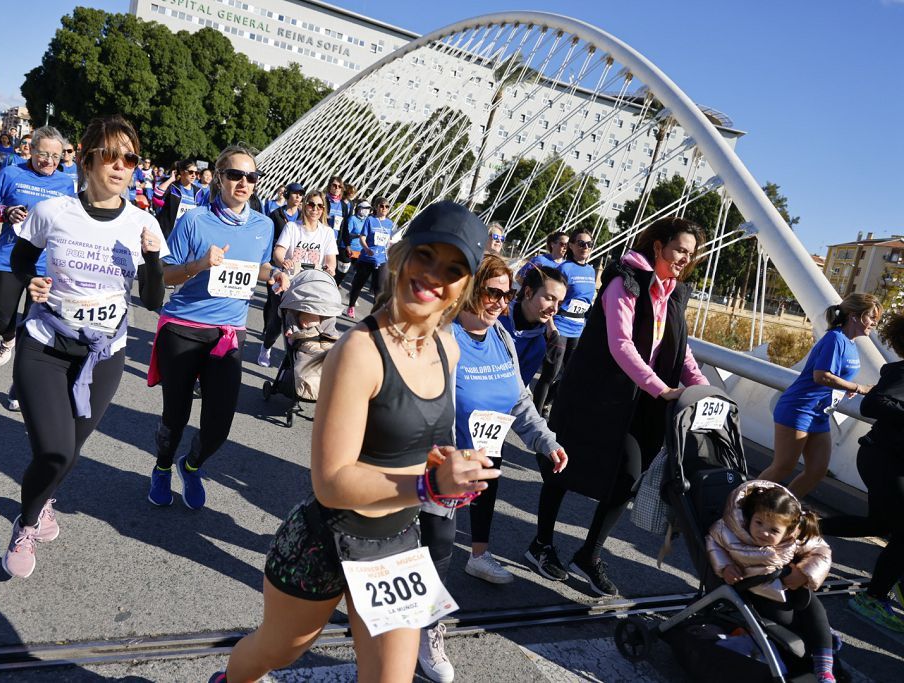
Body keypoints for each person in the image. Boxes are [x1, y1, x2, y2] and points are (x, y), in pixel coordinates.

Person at [212, 201, 498, 683]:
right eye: (425, 255)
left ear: (463, 287)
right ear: (400, 255)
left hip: (396, 542)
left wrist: (443, 460)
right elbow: (332, 482)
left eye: (453, 269)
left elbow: (411, 439)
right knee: (274, 652)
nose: (433, 276)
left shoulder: (447, 347)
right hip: (325, 539)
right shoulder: (359, 351)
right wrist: (430, 485)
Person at [0, 115, 167, 579]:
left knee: (70, 451)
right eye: (110, 155)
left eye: (129, 158)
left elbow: (153, 301)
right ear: (88, 156)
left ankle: (43, 500)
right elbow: (18, 261)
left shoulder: (141, 224)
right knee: (52, 451)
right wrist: (31, 282)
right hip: (45, 346)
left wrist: (151, 257)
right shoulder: (53, 211)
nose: (120, 166)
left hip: (103, 355)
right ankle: (26, 522)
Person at [532, 217, 709, 596]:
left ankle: (589, 553)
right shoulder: (624, 281)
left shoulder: (673, 292)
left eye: (690, 254)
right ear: (658, 247)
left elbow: (679, 349)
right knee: (563, 466)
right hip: (595, 394)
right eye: (679, 249)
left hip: (639, 402)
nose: (684, 258)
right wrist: (662, 389)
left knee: (628, 478)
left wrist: (703, 387)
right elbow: (621, 343)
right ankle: (541, 543)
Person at [416, 254, 567, 682]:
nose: (501, 302)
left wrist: (546, 441)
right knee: (438, 543)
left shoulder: (501, 336)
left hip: (476, 460)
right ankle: (426, 627)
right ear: (468, 290)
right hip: (435, 466)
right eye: (492, 292)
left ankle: (403, 614)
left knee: (428, 548)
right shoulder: (442, 338)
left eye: (508, 294)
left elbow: (520, 403)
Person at [146, 145, 287, 510]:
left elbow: (258, 267)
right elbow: (168, 275)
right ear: (220, 178)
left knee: (219, 423)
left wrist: (275, 276)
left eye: (251, 176)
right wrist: (201, 264)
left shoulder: (264, 225)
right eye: (236, 175)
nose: (244, 182)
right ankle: (162, 467)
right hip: (183, 327)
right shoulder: (195, 221)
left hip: (228, 333)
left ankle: (190, 465)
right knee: (175, 416)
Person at [0, 126, 76, 410]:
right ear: (30, 150)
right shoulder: (11, 173)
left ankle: (18, 385)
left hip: (44, 265)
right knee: (2, 320)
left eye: (55, 156)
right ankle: (7, 339)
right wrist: (4, 212)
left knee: (32, 330)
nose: (48, 161)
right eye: (43, 154)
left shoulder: (65, 183)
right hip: (9, 257)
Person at [821, 312, 904, 632]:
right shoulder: (901, 372)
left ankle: (802, 527)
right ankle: (873, 597)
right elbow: (873, 405)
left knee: (879, 523)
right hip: (884, 460)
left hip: (889, 459)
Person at [707, 481, 835, 682]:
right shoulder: (729, 530)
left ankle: (824, 667)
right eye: (758, 523)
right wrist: (724, 567)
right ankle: (814, 642)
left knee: (815, 607)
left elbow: (821, 551)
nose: (763, 532)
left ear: (788, 531)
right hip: (754, 589)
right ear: (750, 516)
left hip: (788, 585)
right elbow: (713, 542)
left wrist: (804, 573)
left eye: (774, 531)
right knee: (790, 621)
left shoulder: (795, 536)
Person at [761, 293, 879, 498]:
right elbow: (821, 376)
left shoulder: (850, 344)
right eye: (871, 317)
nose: (874, 323)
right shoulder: (835, 339)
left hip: (819, 414)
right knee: (783, 466)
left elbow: (834, 377)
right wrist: (857, 387)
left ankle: (780, 513)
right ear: (854, 315)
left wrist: (843, 389)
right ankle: (739, 504)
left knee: (816, 471)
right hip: (799, 409)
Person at [257, 189, 337, 367]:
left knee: (311, 324)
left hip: (313, 285)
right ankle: (266, 347)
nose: (315, 209)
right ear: (304, 205)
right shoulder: (292, 228)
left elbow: (331, 258)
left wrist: (330, 267)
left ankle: (302, 357)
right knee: (278, 323)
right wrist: (283, 261)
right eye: (311, 204)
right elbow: (278, 251)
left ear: (323, 209)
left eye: (319, 206)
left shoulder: (327, 233)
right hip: (291, 281)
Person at [532, 230, 596, 415]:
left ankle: (547, 403)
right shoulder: (564, 268)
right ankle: (536, 415)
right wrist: (550, 326)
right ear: (572, 246)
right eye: (581, 243)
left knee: (571, 374)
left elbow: (587, 302)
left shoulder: (591, 270)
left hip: (578, 329)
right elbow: (551, 298)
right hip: (560, 325)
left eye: (589, 244)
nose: (585, 247)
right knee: (550, 374)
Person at [499, 266, 567, 387]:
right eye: (550, 298)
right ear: (528, 293)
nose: (555, 309)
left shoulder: (538, 345)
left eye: (560, 303)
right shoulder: (495, 317)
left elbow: (518, 390)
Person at [345, 197, 390, 321]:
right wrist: (366, 249)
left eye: (387, 206)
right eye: (382, 206)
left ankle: (374, 315)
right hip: (367, 258)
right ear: (376, 207)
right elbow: (362, 237)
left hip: (381, 260)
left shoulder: (390, 223)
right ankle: (351, 306)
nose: (384, 209)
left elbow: (387, 241)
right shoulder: (370, 220)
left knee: (379, 289)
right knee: (358, 284)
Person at [155, 159, 199, 237]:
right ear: (182, 172)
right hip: (168, 233)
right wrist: (171, 179)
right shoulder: (173, 187)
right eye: (191, 172)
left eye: (196, 173)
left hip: (186, 234)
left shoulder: (198, 192)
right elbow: (157, 195)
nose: (194, 175)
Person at [323, 175, 354, 285]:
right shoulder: (323, 201)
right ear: (329, 186)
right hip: (321, 240)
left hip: (335, 242)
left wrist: (348, 245)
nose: (337, 188)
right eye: (334, 186)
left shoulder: (343, 205)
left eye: (340, 187)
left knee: (331, 270)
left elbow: (344, 227)